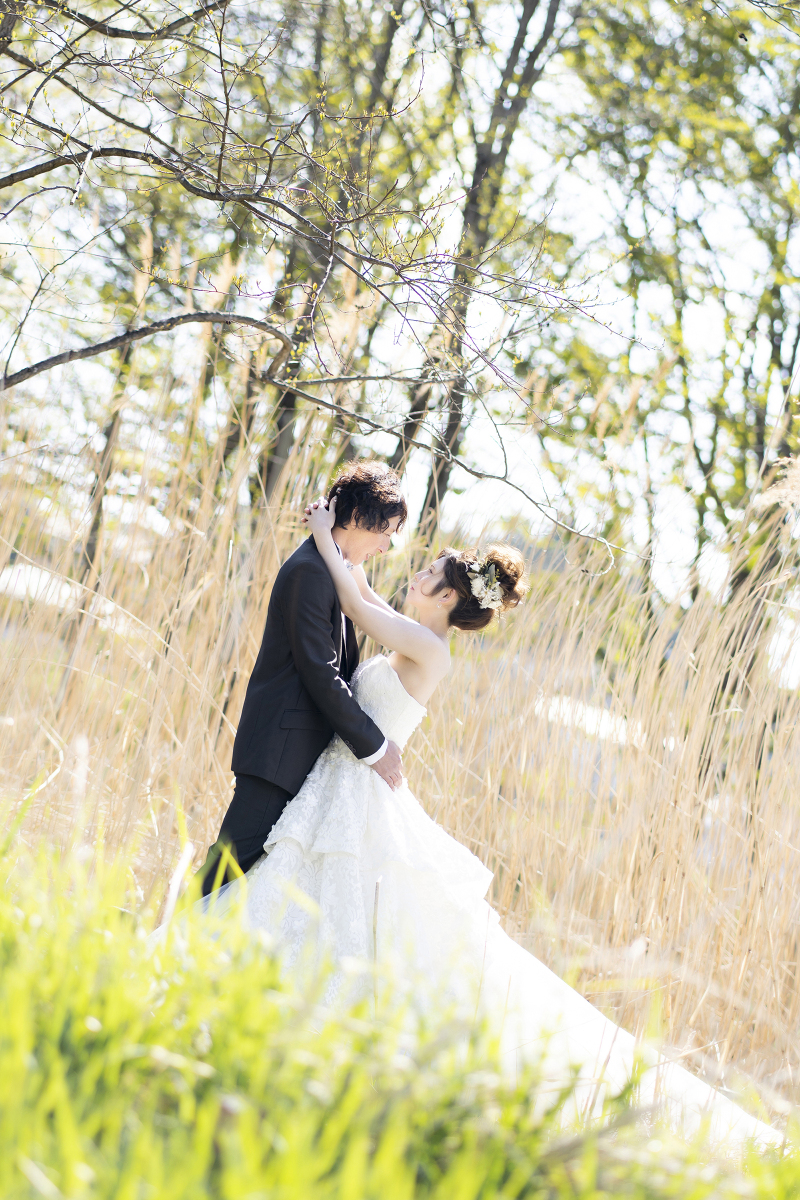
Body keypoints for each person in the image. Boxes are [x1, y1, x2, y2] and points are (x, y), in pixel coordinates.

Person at [207, 496, 781, 1148]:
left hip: (357, 791)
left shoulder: (430, 648)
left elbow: (358, 606)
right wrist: (344, 546)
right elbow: (360, 593)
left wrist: (324, 538)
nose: (417, 574)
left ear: (450, 599)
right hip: (339, 787)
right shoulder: (412, 632)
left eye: (431, 576)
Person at [197, 462, 407, 896]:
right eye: (385, 532)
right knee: (224, 874)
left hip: (294, 757)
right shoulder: (310, 571)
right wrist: (375, 748)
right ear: (358, 517)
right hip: (279, 756)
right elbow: (320, 673)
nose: (386, 546)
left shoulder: (330, 566)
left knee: (241, 885)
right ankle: (163, 936)